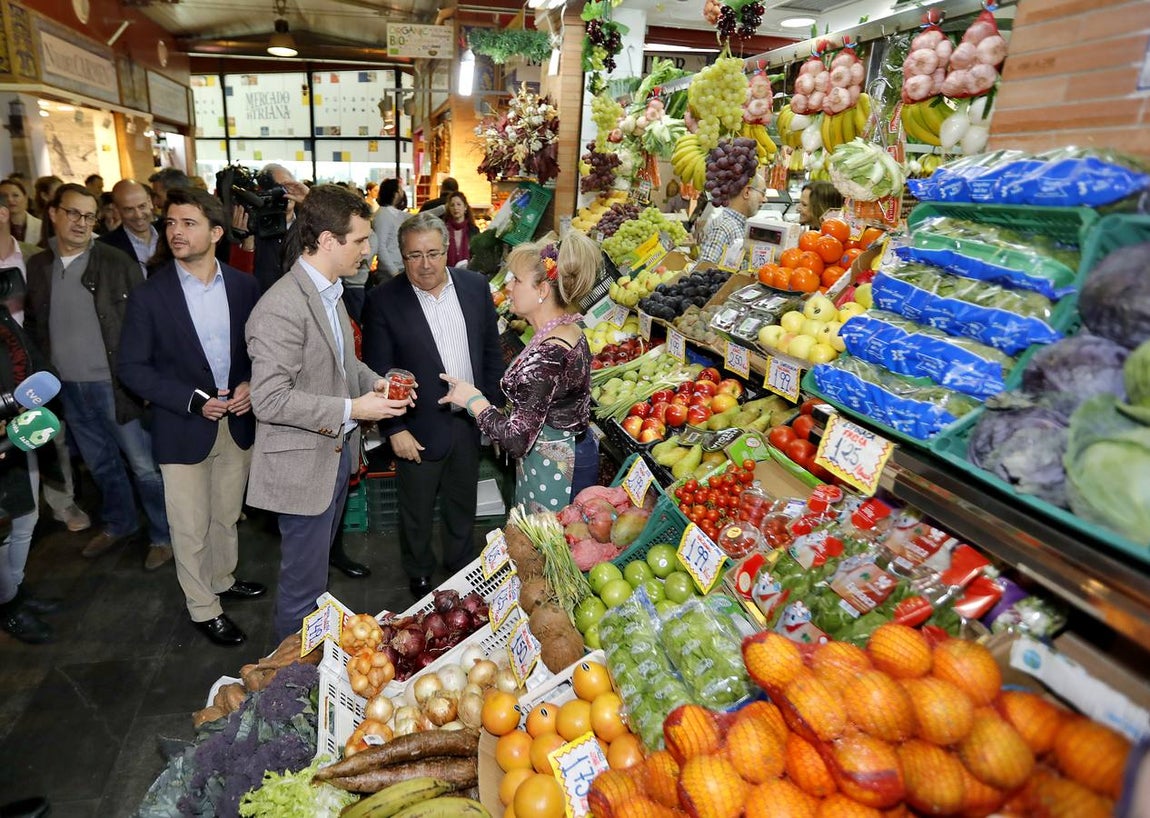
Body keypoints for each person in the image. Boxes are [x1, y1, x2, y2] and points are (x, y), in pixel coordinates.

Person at [245, 184, 412, 641]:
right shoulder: (280, 308)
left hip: (334, 455)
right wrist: (353, 408)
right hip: (302, 468)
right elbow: (270, 399)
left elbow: (342, 364)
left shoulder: (329, 291)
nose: (368, 249)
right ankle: (288, 683)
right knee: (302, 588)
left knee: (316, 582)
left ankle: (313, 662)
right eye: (359, 240)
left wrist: (373, 382)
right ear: (325, 241)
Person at [118, 187, 265, 647]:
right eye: (171, 223)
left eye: (188, 223)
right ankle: (204, 607)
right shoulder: (150, 295)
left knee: (226, 515)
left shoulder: (244, 286)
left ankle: (222, 580)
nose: (175, 232)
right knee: (189, 524)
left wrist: (251, 384)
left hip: (236, 422)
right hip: (181, 426)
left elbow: (260, 349)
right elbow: (132, 369)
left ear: (217, 232)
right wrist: (193, 400)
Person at [23, 184, 173, 570]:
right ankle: (120, 523)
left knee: (143, 467)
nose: (81, 223)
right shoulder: (38, 265)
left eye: (89, 216)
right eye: (73, 213)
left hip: (114, 385)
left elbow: (144, 324)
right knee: (101, 464)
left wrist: (143, 380)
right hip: (65, 389)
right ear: (53, 213)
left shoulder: (114, 260)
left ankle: (163, 535)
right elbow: (38, 328)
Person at [361, 213, 505, 598]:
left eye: (432, 253)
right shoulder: (383, 301)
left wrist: (487, 411)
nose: (424, 265)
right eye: (414, 256)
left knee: (464, 501)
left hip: (468, 419)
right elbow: (379, 371)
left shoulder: (475, 287)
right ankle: (419, 571)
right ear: (402, 256)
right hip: (417, 427)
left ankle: (460, 565)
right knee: (416, 509)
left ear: (447, 251)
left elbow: (491, 354)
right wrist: (395, 430)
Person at [439, 233, 600, 512]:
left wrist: (474, 401)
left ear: (542, 291)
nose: (508, 286)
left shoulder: (547, 356)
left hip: (558, 469)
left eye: (516, 280)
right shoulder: (567, 329)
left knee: (551, 548)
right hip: (568, 453)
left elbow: (515, 440)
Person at [0, 202, 90, 533]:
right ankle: (17, 510)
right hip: (0, 364)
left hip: (35, 355)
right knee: (9, 443)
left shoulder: (32, 256)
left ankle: (61, 502)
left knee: (51, 436)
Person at [0, 302, 61, 644]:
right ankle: (7, 607)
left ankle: (16, 590)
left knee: (25, 518)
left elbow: (32, 357)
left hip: (18, 433)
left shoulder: (2, 314)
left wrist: (27, 401)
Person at [698, 166, 766, 267]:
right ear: (747, 192)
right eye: (763, 193)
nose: (765, 199)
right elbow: (702, 270)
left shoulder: (738, 226)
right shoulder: (724, 227)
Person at [99, 180, 161, 277]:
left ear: (150, 202)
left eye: (142, 206)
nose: (138, 215)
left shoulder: (169, 232)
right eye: (129, 209)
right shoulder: (105, 248)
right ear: (117, 209)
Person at [371, 178, 407, 280]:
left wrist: (444, 208)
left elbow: (420, 216)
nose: (402, 192)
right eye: (400, 189)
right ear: (395, 194)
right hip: (389, 272)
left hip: (398, 268)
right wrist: (394, 272)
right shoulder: (382, 215)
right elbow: (380, 246)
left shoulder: (395, 213)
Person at [0, 179, 42, 246]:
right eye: (4, 196)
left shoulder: (41, 226)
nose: (10, 199)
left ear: (25, 198)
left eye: (15, 195)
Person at [443, 191, 478, 268]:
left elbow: (477, 255)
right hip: (447, 272)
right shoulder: (443, 230)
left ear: (465, 207)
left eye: (459, 204)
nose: (455, 208)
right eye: (452, 205)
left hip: (468, 274)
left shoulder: (473, 230)